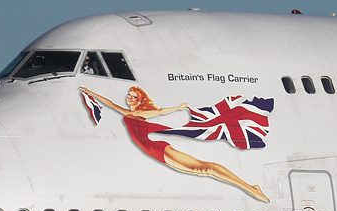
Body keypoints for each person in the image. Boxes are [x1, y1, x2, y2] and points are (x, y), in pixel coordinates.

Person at [81, 86, 269, 202]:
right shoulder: (128, 113)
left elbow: (161, 111)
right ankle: (251, 188)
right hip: (155, 151)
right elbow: (111, 104)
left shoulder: (141, 114)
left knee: (205, 168)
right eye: (129, 95)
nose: (129, 98)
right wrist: (91, 93)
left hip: (159, 149)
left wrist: (178, 108)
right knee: (201, 169)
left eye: (133, 96)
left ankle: (252, 188)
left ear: (140, 101)